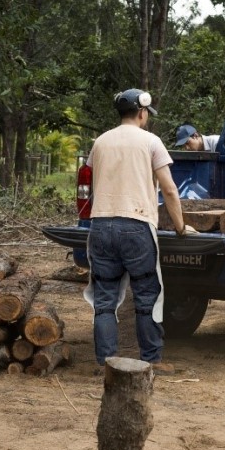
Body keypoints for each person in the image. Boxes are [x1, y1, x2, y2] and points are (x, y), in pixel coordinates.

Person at [84, 88, 190, 373]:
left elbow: (89, 179)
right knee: (147, 297)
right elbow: (168, 189)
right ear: (142, 112)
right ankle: (150, 360)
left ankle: (105, 362)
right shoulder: (151, 142)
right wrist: (180, 227)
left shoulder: (100, 142)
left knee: (105, 300)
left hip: (101, 226)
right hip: (137, 226)